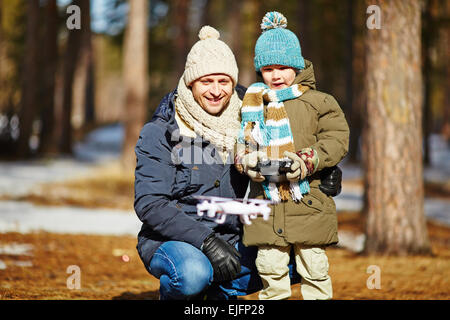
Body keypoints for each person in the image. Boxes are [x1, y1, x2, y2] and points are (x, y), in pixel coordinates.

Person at [134, 25, 307, 300]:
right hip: (174, 240)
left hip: (232, 235)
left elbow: (278, 163)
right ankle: (196, 287)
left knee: (302, 255)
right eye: (206, 82)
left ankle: (217, 293)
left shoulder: (248, 123)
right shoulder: (163, 130)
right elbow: (150, 204)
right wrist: (206, 241)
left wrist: (320, 172)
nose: (216, 91)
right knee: (191, 274)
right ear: (191, 82)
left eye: (223, 82)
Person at [235, 12, 350, 300]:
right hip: (267, 203)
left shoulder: (318, 102)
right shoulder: (252, 103)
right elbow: (244, 139)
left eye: (284, 67)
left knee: (314, 267)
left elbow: (336, 138)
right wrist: (246, 160)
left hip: (308, 200)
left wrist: (309, 159)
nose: (276, 75)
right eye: (268, 68)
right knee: (270, 269)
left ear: (296, 66)